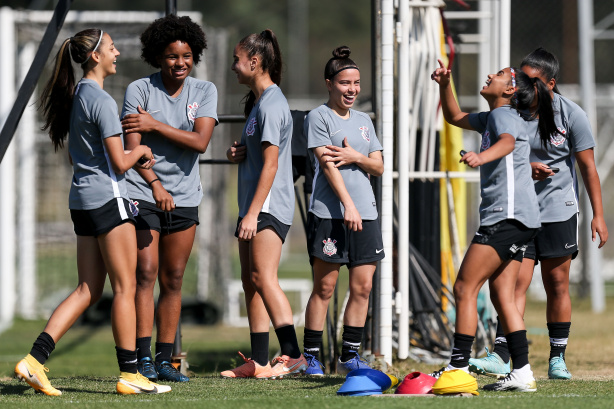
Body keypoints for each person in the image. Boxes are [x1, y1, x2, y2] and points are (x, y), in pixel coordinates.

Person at [14, 29, 170, 395]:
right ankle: (130, 375)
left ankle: (34, 360)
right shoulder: (99, 99)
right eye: (113, 48)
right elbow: (119, 162)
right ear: (95, 56)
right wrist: (143, 152)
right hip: (108, 201)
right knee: (126, 287)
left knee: (88, 289)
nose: (117, 53)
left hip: (82, 201)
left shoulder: (79, 94)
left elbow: (77, 156)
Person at [469, 47, 608, 380]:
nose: (523, 85)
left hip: (558, 210)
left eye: (532, 80)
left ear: (550, 83)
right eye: (521, 77)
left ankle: (557, 357)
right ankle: (503, 353)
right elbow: (504, 147)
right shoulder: (509, 112)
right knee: (514, 283)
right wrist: (526, 167)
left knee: (557, 283)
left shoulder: (571, 114)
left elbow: (588, 168)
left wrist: (598, 215)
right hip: (520, 211)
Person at [430, 58, 558, 392]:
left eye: (499, 74)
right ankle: (523, 372)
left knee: (464, 288)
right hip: (521, 219)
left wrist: (479, 157)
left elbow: (504, 143)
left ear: (511, 90)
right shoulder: (494, 116)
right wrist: (445, 85)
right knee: (503, 297)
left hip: (507, 217)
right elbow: (454, 116)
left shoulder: (503, 115)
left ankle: (457, 367)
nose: (489, 74)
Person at [120, 15, 218, 383]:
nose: (180, 63)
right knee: (145, 273)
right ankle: (142, 359)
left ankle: (166, 361)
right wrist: (156, 185)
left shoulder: (204, 91)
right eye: (172, 56)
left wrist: (156, 126)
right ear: (157, 57)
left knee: (173, 278)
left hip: (186, 197)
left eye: (187, 55)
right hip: (143, 191)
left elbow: (200, 142)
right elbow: (133, 148)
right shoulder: (138, 90)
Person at [220, 29, 307, 379]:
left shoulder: (272, 104)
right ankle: (257, 362)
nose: (233, 67)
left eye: (237, 60)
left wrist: (254, 213)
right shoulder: (258, 104)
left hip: (267, 205)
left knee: (264, 276)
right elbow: (260, 156)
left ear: (254, 63)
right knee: (249, 280)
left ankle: (293, 355)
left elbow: (272, 166)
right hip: (252, 204)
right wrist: (238, 153)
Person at [301, 46, 384, 376]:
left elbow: (378, 165)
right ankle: (310, 357)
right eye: (345, 83)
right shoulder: (318, 117)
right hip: (331, 215)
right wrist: (347, 205)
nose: (352, 89)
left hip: (367, 214)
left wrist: (356, 158)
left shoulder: (364, 121)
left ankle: (350, 356)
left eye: (357, 83)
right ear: (329, 83)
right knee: (325, 288)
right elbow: (328, 165)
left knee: (362, 287)